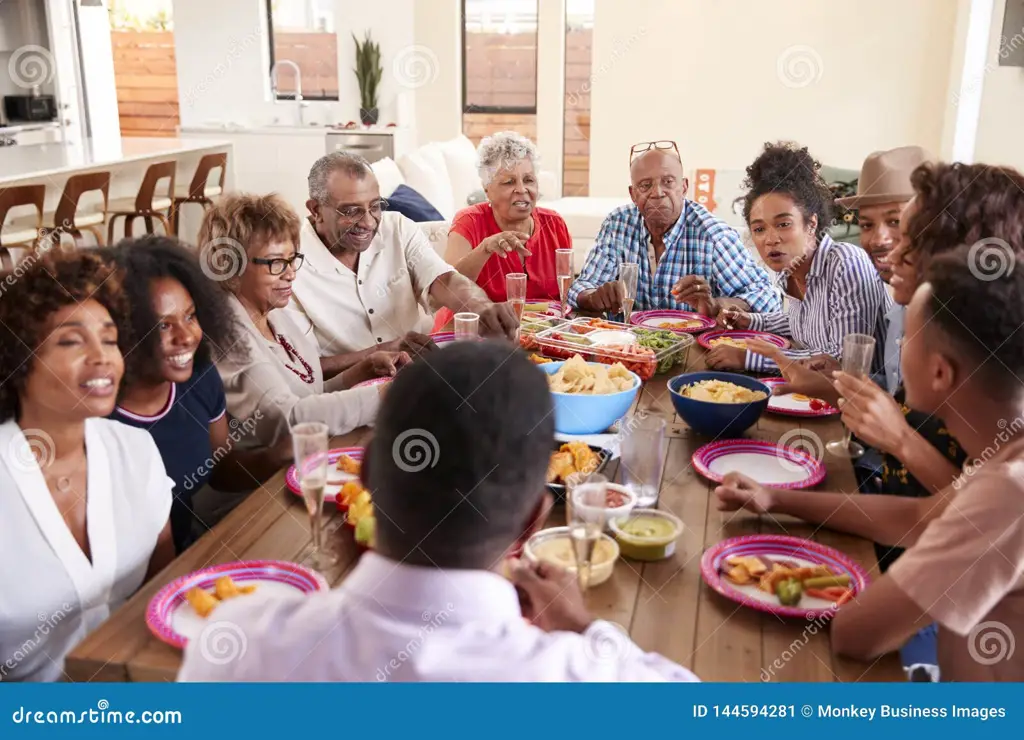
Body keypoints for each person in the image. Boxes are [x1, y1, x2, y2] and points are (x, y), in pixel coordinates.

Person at [178, 342, 699, 682]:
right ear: (533, 520)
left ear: (362, 483)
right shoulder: (584, 679)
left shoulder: (234, 647)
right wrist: (585, 628)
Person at [719, 245, 1024, 682]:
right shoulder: (1007, 455)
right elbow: (918, 516)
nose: (898, 344)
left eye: (908, 339)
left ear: (940, 373)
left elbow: (854, 634)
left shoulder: (1009, 492)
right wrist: (775, 498)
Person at [0, 252, 174, 682]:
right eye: (71, 341)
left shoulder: (136, 451)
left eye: (110, 339)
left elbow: (164, 587)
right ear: (19, 362)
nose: (102, 357)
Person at [101, 236, 290, 553]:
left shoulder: (199, 377)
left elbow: (219, 467)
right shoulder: (95, 415)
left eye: (190, 316)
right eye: (162, 326)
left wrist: (275, 457)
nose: (187, 336)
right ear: (122, 331)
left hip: (184, 555)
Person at [200, 193, 405, 452]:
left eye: (291, 259)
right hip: (262, 486)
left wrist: (360, 372)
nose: (290, 273)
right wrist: (387, 394)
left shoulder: (274, 314)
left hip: (305, 459)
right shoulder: (227, 335)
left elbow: (306, 396)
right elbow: (289, 419)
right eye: (275, 262)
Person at [287, 151, 517, 363]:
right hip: (347, 393)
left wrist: (480, 305)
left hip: (416, 376)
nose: (368, 222)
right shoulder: (286, 263)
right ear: (315, 210)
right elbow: (299, 368)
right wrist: (382, 352)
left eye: (375, 206)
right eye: (351, 211)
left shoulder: (397, 227)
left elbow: (443, 280)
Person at [710, 142, 891, 374]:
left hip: (866, 404)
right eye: (759, 229)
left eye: (783, 224)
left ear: (811, 223)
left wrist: (749, 358)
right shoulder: (793, 269)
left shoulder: (846, 263)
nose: (771, 239)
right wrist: (750, 321)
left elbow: (841, 359)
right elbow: (805, 325)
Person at [569, 141, 778, 318]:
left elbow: (767, 299)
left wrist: (716, 305)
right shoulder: (618, 224)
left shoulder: (713, 235)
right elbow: (583, 285)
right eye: (645, 185)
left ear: (684, 187)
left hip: (693, 350)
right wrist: (593, 297)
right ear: (633, 194)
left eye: (668, 182)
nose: (657, 192)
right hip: (627, 347)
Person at [437, 131, 570, 329]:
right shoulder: (469, 221)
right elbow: (445, 288)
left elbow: (565, 297)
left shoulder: (555, 224)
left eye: (528, 180)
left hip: (539, 337)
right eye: (509, 182)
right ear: (487, 190)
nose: (521, 189)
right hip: (474, 335)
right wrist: (485, 249)